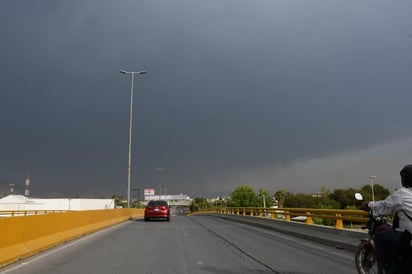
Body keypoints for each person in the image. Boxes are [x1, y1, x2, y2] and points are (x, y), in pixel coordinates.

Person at [361, 164, 412, 274]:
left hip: (409, 236)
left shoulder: (402, 194)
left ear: (405, 179)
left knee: (379, 238)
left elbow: (385, 206)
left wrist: (368, 205)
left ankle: (391, 271)